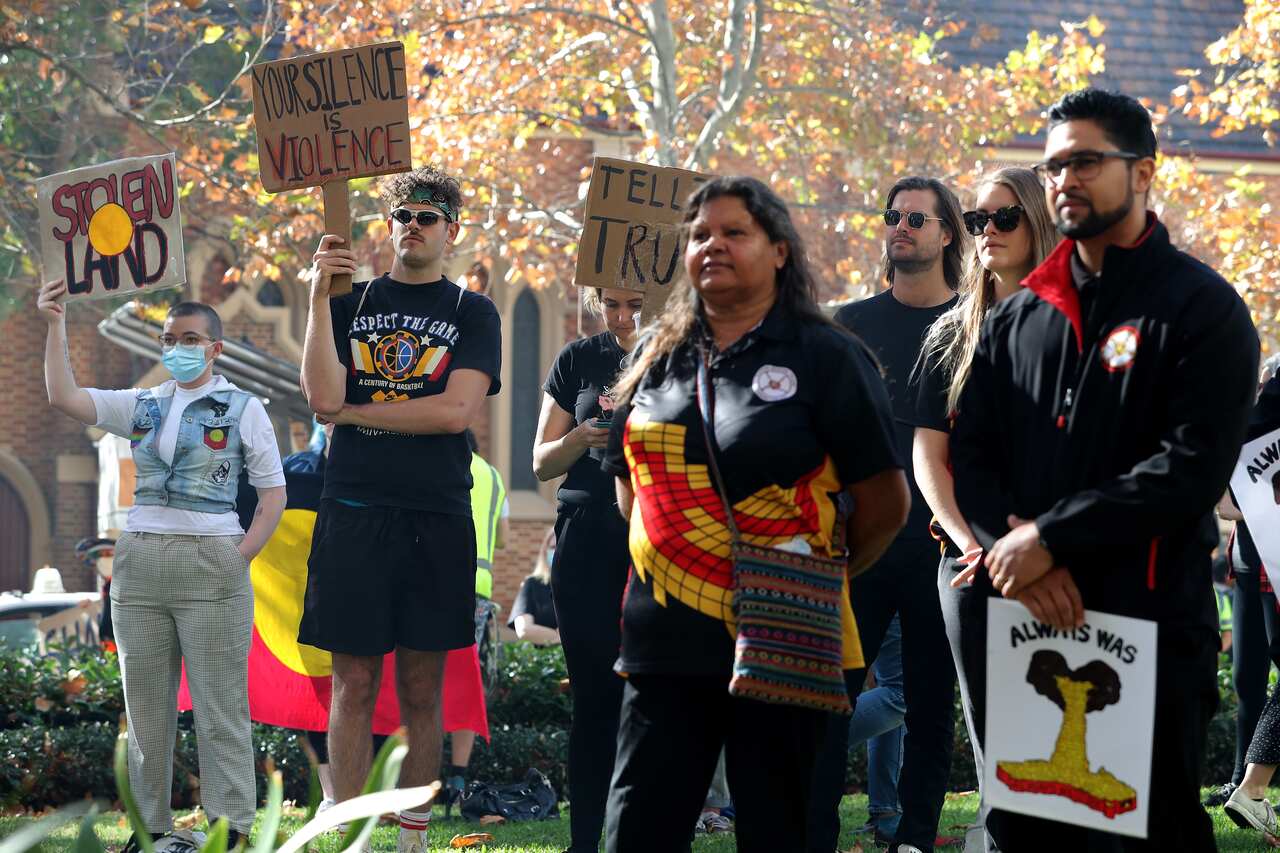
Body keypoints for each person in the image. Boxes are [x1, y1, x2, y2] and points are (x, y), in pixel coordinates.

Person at [949, 87, 1259, 850]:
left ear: (1144, 171)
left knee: (1143, 834)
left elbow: (1190, 467)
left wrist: (1052, 537)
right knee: (1026, 827)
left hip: (1148, 624)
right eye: (1055, 166)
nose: (1064, 181)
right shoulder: (1020, 316)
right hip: (1024, 619)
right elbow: (973, 454)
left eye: (1086, 161)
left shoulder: (1203, 308)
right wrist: (1015, 552)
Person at [601, 176, 909, 852]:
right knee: (637, 829)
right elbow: (631, 487)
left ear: (778, 251)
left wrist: (813, 571)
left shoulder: (827, 356)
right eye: (699, 234)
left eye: (733, 232)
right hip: (664, 644)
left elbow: (887, 500)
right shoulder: (656, 358)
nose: (713, 244)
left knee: (782, 828)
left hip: (783, 633)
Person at [297, 166, 502, 853]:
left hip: (436, 514)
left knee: (421, 683)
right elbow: (318, 393)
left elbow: (454, 412)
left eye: (427, 217)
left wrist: (357, 408)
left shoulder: (474, 312)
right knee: (352, 682)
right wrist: (317, 301)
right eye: (402, 216)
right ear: (388, 227)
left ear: (451, 230)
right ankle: (352, 832)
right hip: (353, 508)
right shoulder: (348, 301)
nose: (412, 226)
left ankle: (413, 834)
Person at [39, 286, 286, 852]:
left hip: (213, 563)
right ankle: (149, 831)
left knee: (221, 710)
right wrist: (56, 325)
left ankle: (232, 832)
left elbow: (273, 494)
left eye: (190, 340)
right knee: (146, 712)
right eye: (169, 340)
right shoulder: (142, 403)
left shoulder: (245, 410)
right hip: (141, 562)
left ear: (215, 348)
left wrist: (238, 555)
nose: (177, 348)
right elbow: (64, 397)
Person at [812, 175, 970, 853]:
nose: (899, 227)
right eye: (893, 217)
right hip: (859, 543)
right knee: (827, 697)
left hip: (938, 548)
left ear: (945, 235)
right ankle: (811, 830)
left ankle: (912, 835)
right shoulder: (848, 324)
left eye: (916, 218)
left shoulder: (974, 323)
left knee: (933, 705)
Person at [909, 165, 1060, 852]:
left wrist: (1055, 541)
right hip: (969, 565)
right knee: (998, 740)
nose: (986, 232)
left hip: (1061, 562)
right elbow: (928, 456)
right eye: (976, 220)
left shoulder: (1078, 327)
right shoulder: (950, 335)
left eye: (1004, 218)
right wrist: (963, 536)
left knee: (1066, 742)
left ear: (1039, 222)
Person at [531, 284, 642, 853]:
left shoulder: (677, 354)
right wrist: (579, 436)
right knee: (595, 695)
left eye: (636, 305)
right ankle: (584, 840)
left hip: (650, 538)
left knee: (648, 693)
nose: (622, 317)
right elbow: (540, 461)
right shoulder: (578, 358)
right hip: (584, 537)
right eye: (612, 304)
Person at [1206, 355, 1280, 810]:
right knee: (1246, 675)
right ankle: (1243, 782)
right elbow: (1227, 502)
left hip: (1268, 562)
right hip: (1251, 561)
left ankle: (1251, 785)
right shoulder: (1250, 430)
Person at [507, 527, 561, 645]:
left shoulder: (581, 589)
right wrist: (561, 637)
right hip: (541, 660)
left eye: (561, 548)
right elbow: (524, 629)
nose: (557, 552)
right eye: (553, 547)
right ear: (545, 551)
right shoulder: (532, 584)